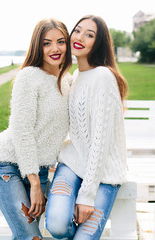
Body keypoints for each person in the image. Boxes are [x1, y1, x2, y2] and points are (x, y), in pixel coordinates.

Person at [0, 18, 72, 240]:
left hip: (41, 168)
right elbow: (22, 130)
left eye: (61, 41)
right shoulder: (29, 76)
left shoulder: (68, 80)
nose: (55, 48)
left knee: (27, 235)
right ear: (37, 46)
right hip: (8, 166)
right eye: (47, 43)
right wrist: (34, 182)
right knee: (31, 237)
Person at [45, 15, 128, 240]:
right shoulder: (76, 76)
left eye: (89, 35)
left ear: (98, 43)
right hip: (72, 163)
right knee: (57, 224)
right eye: (78, 31)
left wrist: (86, 196)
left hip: (104, 174)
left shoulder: (103, 76)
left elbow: (100, 142)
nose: (80, 37)